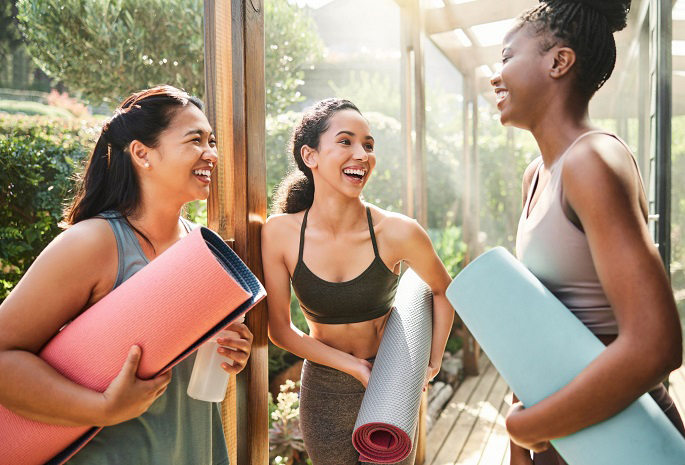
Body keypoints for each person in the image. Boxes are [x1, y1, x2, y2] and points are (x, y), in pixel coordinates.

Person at [0, 85, 252, 465]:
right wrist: (102, 408)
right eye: (195, 140)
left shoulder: (196, 247)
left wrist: (228, 349)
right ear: (141, 153)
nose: (211, 153)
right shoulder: (95, 243)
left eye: (212, 141)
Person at [488, 1, 685, 464]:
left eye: (507, 57)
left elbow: (656, 344)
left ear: (559, 61)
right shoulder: (537, 174)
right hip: (568, 435)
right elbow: (539, 319)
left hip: (626, 439)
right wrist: (523, 444)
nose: (495, 76)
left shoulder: (591, 161)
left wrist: (532, 425)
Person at [261, 98, 454, 465]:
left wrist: (430, 364)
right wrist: (353, 367)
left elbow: (444, 290)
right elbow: (280, 331)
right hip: (323, 390)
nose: (362, 154)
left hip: (391, 380)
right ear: (311, 155)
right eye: (346, 141)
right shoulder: (281, 234)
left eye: (368, 144)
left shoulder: (397, 231)